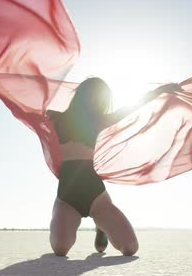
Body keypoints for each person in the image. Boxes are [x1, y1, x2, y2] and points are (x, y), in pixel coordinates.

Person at [47, 78, 183, 256]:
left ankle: (100, 227)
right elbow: (29, 105)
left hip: (95, 195)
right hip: (66, 197)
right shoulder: (55, 117)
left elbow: (134, 106)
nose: (97, 101)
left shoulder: (100, 121)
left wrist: (159, 91)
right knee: (60, 249)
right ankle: (70, 214)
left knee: (130, 248)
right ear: (83, 95)